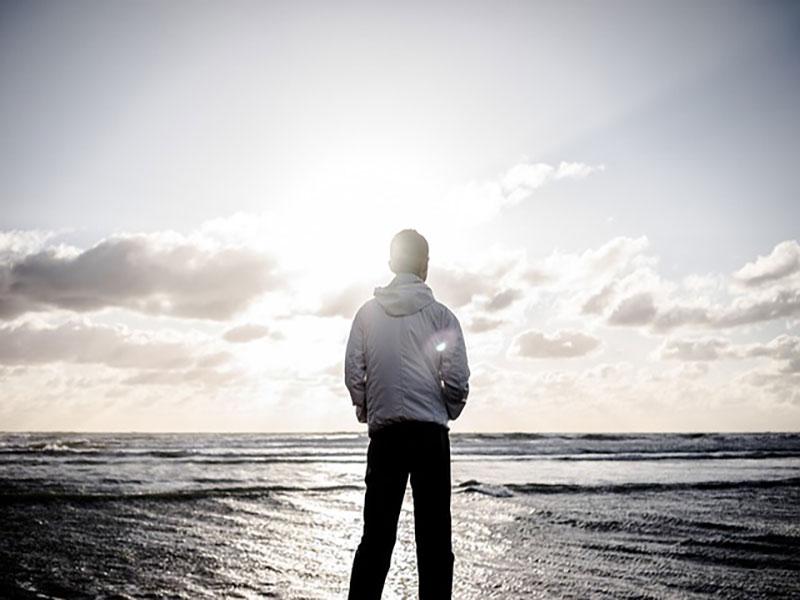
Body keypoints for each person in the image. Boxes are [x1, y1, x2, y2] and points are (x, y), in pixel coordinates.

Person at [345, 229, 470, 599]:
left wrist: (371, 410)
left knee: (377, 540)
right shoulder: (440, 315)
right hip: (430, 438)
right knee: (434, 543)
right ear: (425, 266)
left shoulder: (367, 315)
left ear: (390, 264)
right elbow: (458, 380)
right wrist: (444, 408)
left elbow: (354, 374)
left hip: (386, 439)